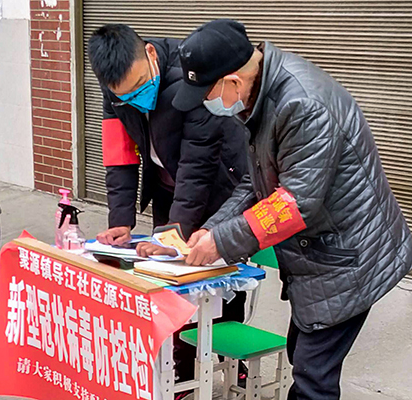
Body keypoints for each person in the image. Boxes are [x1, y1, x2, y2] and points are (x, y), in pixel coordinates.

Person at [173, 19, 412, 399]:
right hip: (320, 255)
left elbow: (294, 203)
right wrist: (212, 229)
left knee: (313, 379)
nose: (205, 102)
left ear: (232, 81)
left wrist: (221, 242)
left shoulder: (302, 105)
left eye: (207, 92)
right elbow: (257, 183)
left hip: (348, 257)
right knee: (305, 360)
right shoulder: (261, 95)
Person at [87, 24, 249, 390]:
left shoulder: (191, 76)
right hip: (166, 188)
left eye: (140, 85)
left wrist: (177, 230)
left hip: (218, 187)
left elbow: (197, 166)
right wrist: (121, 220)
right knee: (172, 284)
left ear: (150, 54)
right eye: (126, 95)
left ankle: (230, 361)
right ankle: (183, 372)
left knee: (222, 282)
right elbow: (119, 155)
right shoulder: (113, 89)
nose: (136, 98)